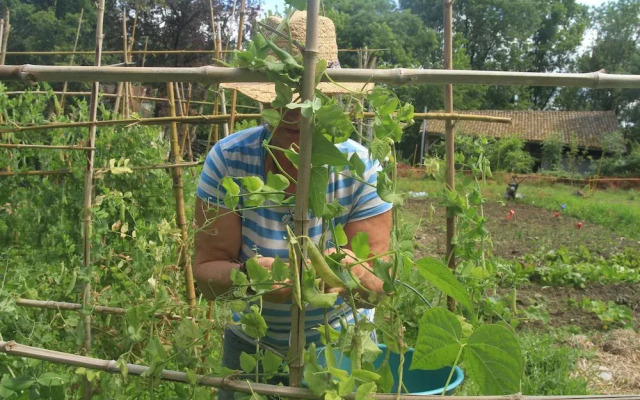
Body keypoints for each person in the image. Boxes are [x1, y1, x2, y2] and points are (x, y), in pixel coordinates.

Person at [193, 11, 391, 398]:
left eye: (306, 102)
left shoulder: (360, 167)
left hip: (340, 347)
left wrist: (348, 272)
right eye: (282, 99)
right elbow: (204, 275)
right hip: (253, 345)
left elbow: (378, 285)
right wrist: (248, 277)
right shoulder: (230, 159)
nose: (293, 113)